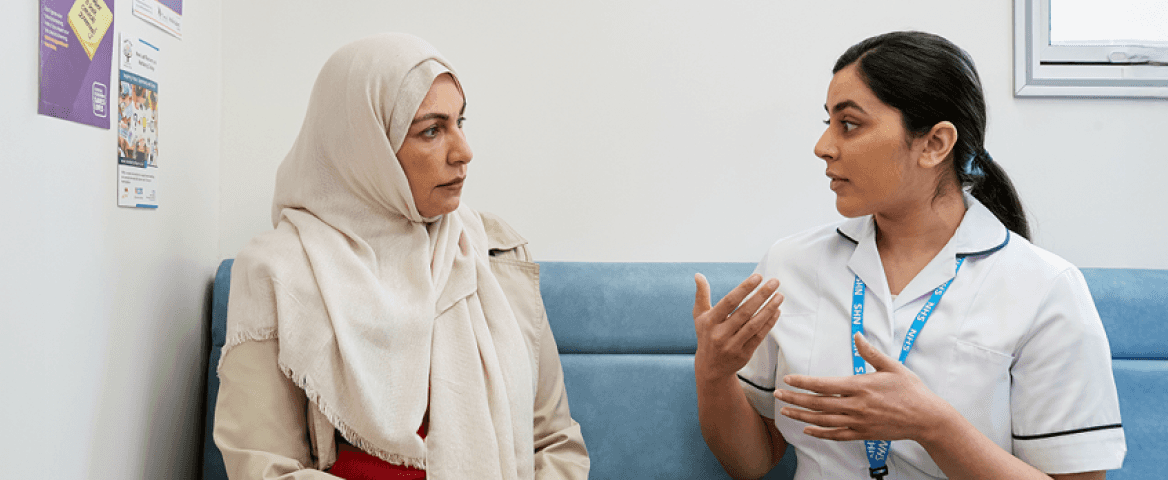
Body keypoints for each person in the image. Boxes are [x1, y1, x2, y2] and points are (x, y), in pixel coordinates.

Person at [693, 31, 1124, 480]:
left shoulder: (1046, 288)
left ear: (935, 144)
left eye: (850, 124)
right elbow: (752, 461)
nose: (823, 147)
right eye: (828, 123)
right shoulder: (790, 265)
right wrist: (713, 375)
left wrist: (933, 426)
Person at [214, 33, 589, 480]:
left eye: (460, 122)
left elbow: (555, 441)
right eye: (431, 130)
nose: (464, 152)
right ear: (366, 147)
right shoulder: (279, 270)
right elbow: (264, 467)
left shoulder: (494, 252)